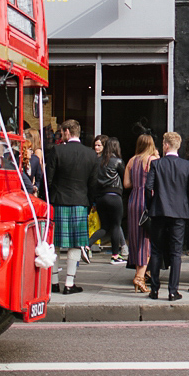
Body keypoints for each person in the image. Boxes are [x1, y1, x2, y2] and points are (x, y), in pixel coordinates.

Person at [46, 119, 99, 295]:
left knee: (54, 244)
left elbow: (49, 179)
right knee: (75, 245)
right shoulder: (91, 154)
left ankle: (53, 283)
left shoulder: (57, 150)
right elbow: (93, 183)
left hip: (58, 202)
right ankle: (69, 284)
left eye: (62, 132)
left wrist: (46, 200)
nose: (61, 135)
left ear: (68, 132)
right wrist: (91, 202)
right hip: (79, 202)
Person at [145, 131, 189, 301]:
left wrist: (150, 205)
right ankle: (173, 291)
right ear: (178, 146)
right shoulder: (186, 166)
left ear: (166, 145)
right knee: (175, 253)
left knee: (157, 250)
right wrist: (186, 204)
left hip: (159, 210)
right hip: (179, 212)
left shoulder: (157, 165)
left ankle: (154, 289)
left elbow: (148, 187)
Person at [124, 133, 160, 291]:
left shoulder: (131, 160)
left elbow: (126, 184)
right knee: (147, 240)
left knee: (135, 237)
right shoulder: (152, 160)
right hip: (147, 201)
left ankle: (142, 274)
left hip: (133, 201)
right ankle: (139, 277)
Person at [88, 136, 128, 263]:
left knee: (104, 226)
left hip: (101, 198)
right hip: (114, 196)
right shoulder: (118, 161)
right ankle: (115, 255)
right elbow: (125, 178)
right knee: (116, 225)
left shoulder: (98, 162)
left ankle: (86, 245)